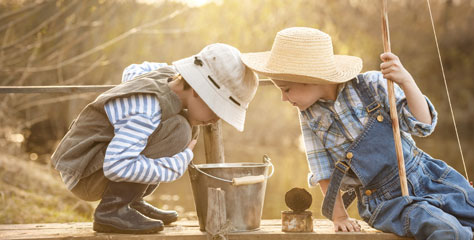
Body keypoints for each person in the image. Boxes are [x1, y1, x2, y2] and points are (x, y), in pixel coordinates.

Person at [241, 27, 474, 239]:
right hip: (386, 201)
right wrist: (339, 216)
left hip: (427, 175)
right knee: (448, 231)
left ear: (310, 79)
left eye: (286, 89)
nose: (284, 98)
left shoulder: (371, 85)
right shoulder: (309, 117)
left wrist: (406, 80)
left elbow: (423, 125)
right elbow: (323, 171)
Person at [51, 43, 258, 234]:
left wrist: (124, 113)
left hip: (92, 162)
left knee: (185, 124)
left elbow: (131, 70)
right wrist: (174, 166)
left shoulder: (168, 75)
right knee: (180, 130)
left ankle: (130, 201)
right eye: (217, 109)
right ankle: (112, 210)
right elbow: (116, 165)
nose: (216, 120)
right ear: (197, 89)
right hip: (84, 173)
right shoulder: (147, 110)